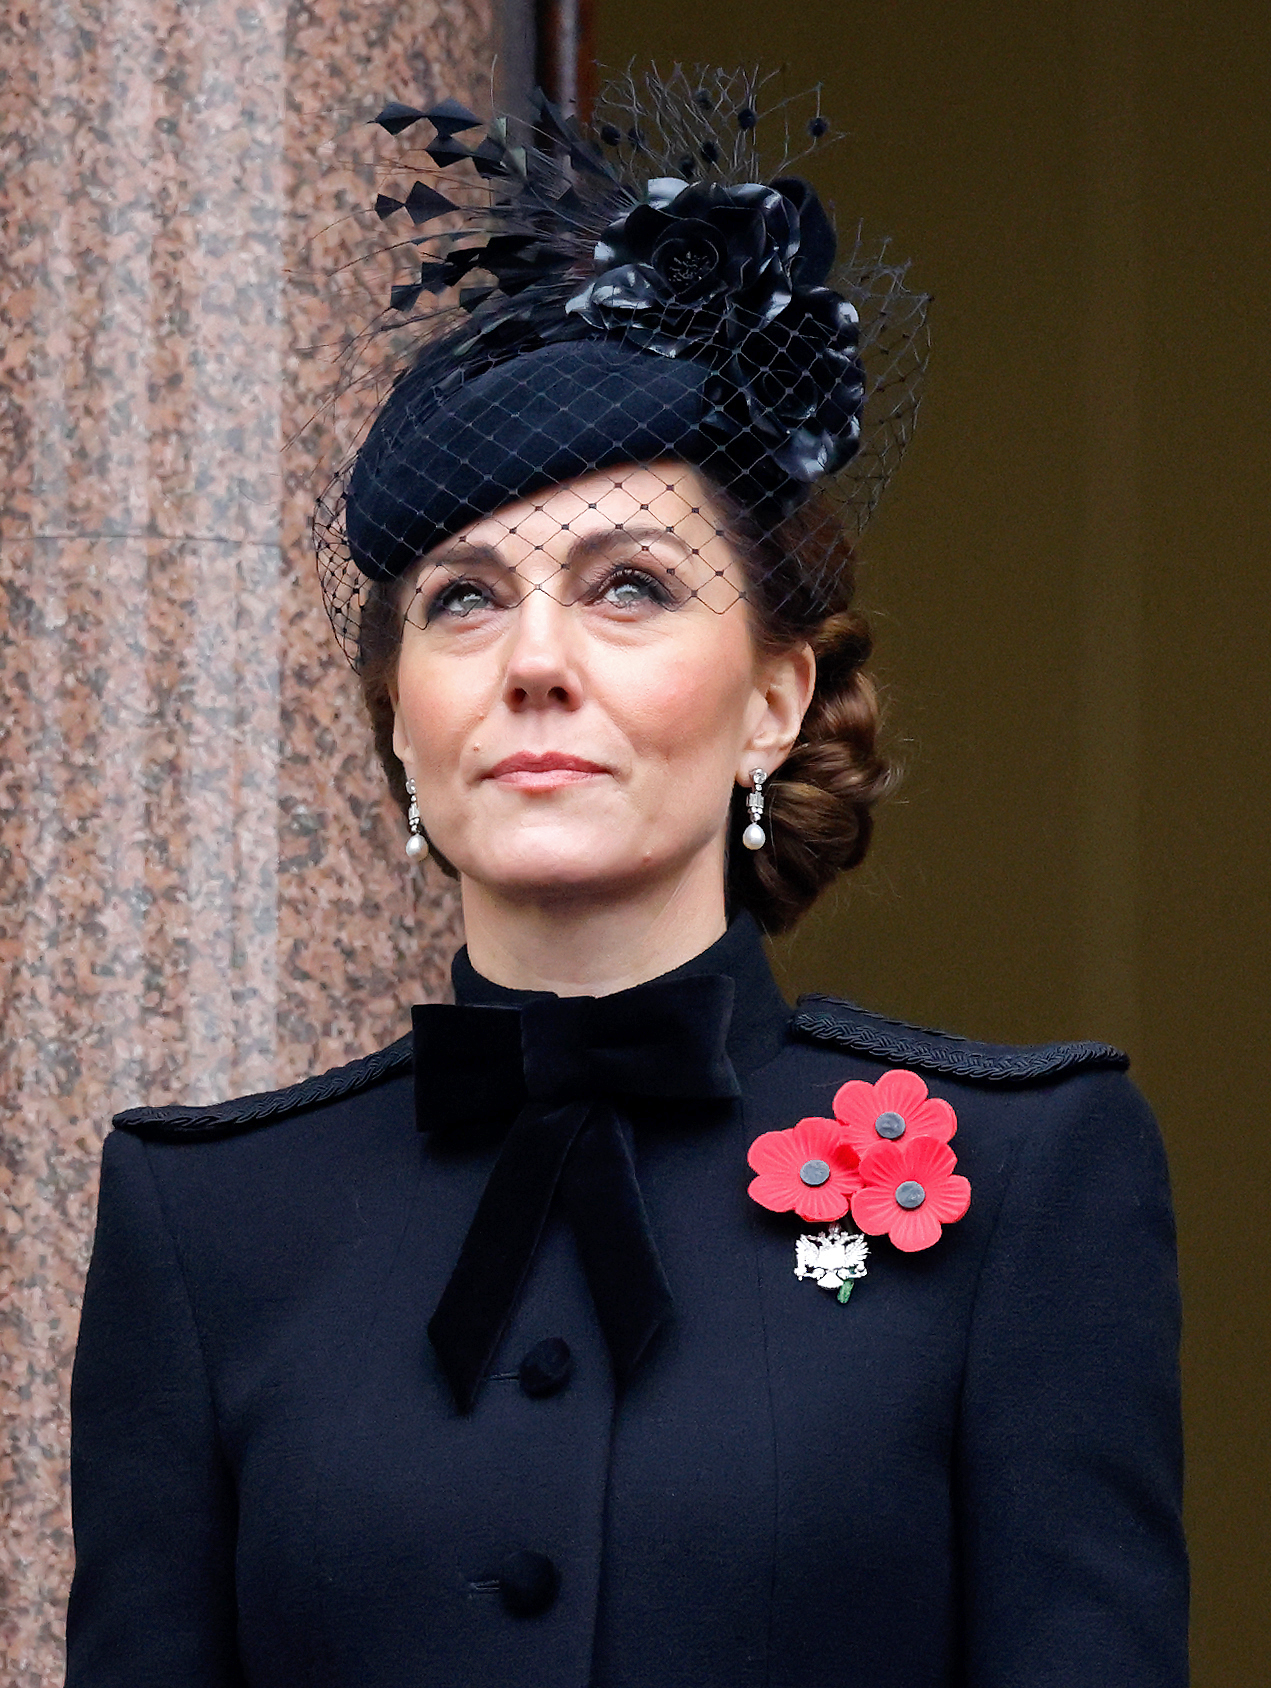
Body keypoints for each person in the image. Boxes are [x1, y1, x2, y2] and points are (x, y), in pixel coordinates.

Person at [64, 70, 1187, 1688]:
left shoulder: (1032, 1185)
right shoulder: (207, 1224)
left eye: (631, 588)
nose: (533, 662)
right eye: (462, 601)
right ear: (404, 710)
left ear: (773, 699)